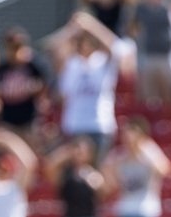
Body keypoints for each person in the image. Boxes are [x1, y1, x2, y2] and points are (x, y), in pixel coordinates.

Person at [48, 10, 131, 163]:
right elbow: (52, 48)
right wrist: (72, 29)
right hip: (74, 126)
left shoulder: (102, 61)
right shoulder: (71, 64)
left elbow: (119, 49)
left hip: (99, 126)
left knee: (96, 175)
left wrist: (92, 25)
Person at [0, 27, 49, 146]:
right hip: (8, 121)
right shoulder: (2, 69)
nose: (15, 51)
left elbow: (46, 86)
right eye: (11, 47)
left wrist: (36, 91)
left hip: (30, 120)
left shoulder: (34, 65)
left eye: (18, 47)